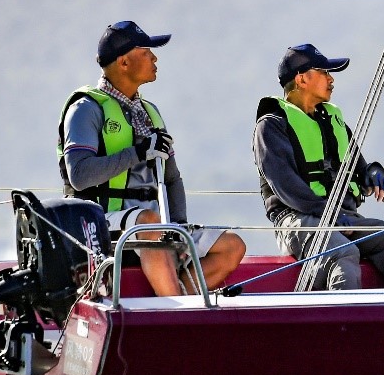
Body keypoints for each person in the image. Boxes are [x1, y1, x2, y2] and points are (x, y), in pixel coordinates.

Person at [59, 21, 246, 296]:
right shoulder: (85, 109)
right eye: (146, 51)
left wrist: (179, 225)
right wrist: (138, 152)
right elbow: (80, 175)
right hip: (98, 223)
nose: (155, 58)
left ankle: (175, 301)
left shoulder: (150, 112)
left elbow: (172, 178)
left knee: (232, 245)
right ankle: (179, 313)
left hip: (151, 223)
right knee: (150, 222)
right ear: (124, 62)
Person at [252, 44, 384, 290]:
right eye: (324, 72)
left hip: (344, 218)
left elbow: (359, 167)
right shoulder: (271, 126)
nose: (331, 79)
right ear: (302, 79)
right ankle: (345, 325)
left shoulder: (333, 121)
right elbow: (286, 187)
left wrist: (373, 172)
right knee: (342, 252)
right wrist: (329, 214)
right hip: (298, 219)